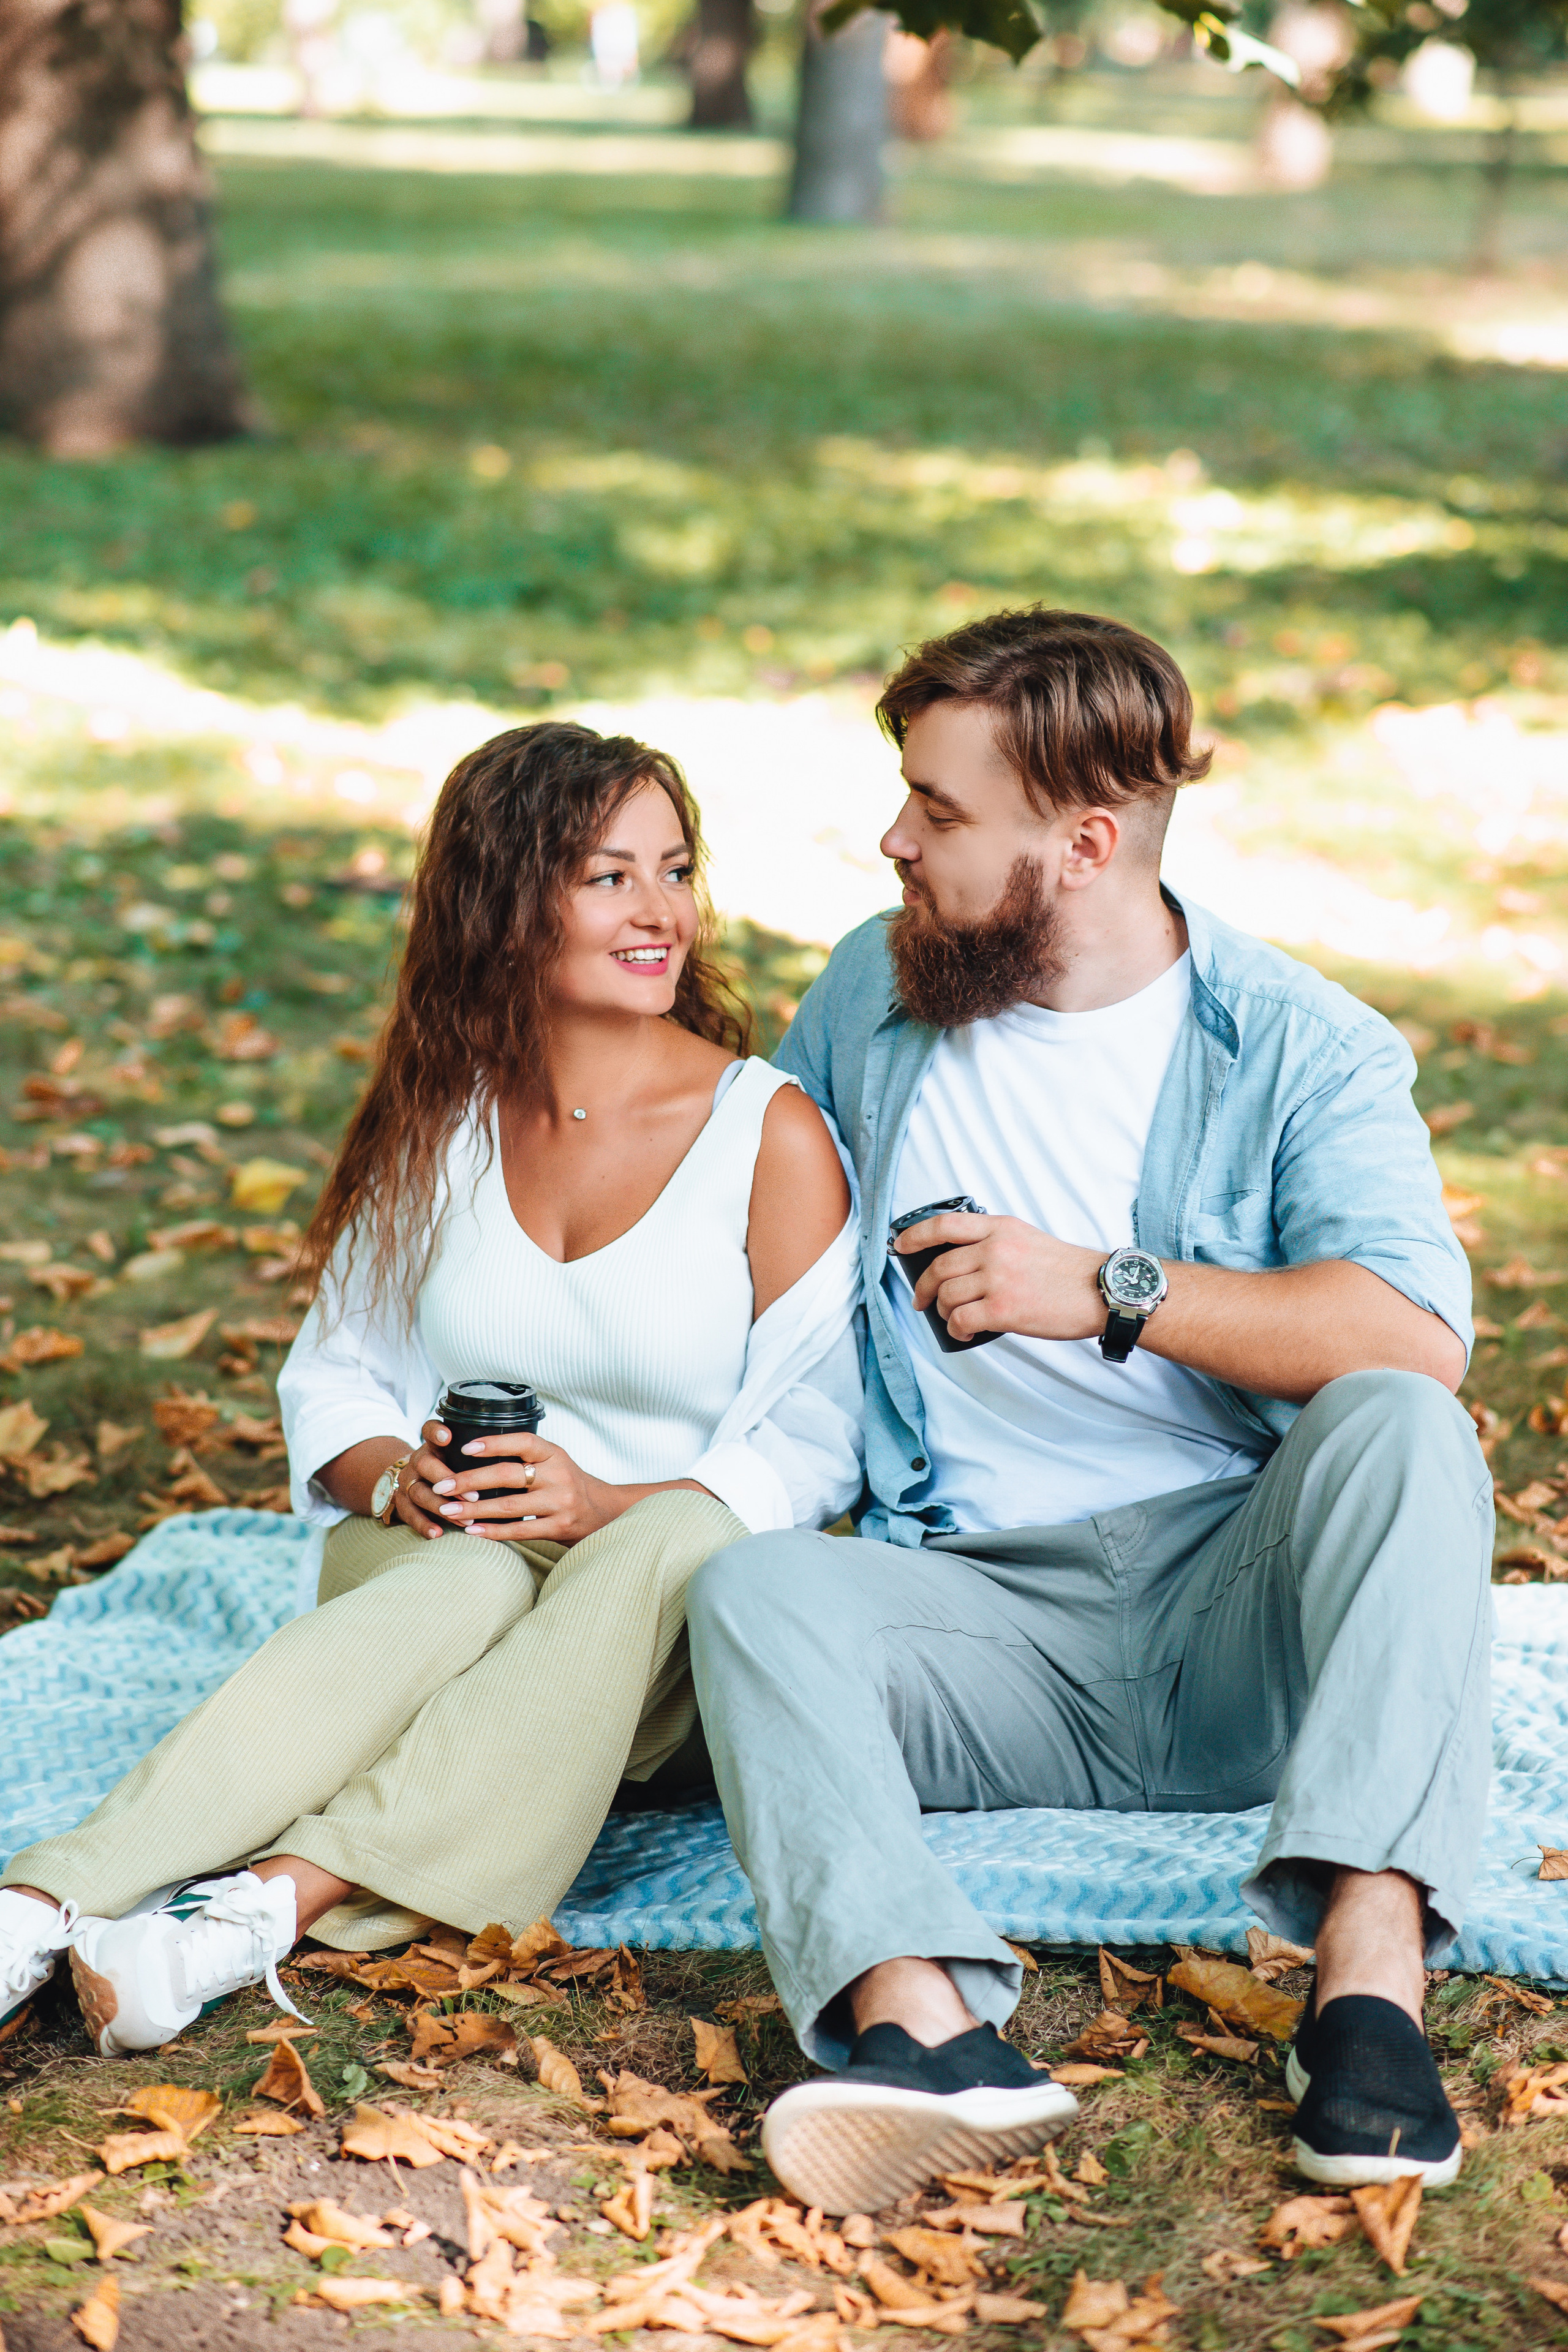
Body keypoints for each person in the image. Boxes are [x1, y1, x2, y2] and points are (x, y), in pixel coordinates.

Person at [685, 607, 1489, 2217]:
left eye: (941, 811)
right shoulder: (872, 994)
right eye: (903, 796)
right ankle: (930, 2034)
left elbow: (1415, 1333)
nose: (894, 839)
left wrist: (1112, 1289)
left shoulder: (1300, 1046)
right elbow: (738, 1234)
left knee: (1404, 1427)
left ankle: (1368, 1987)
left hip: (1238, 1621)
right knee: (756, 1588)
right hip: (977, 1621)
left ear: (1087, 840)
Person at [0, 722, 860, 2054]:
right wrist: (397, 1477)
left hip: (650, 1644)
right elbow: (337, 1373)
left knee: (682, 1538)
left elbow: (819, 1437)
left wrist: (606, 1502)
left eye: (673, 871)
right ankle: (39, 1904)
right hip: (430, 1578)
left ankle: (263, 1906)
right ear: (508, 908)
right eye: (607, 877)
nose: (661, 915)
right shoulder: (445, 1115)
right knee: (469, 1579)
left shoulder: (768, 1131)